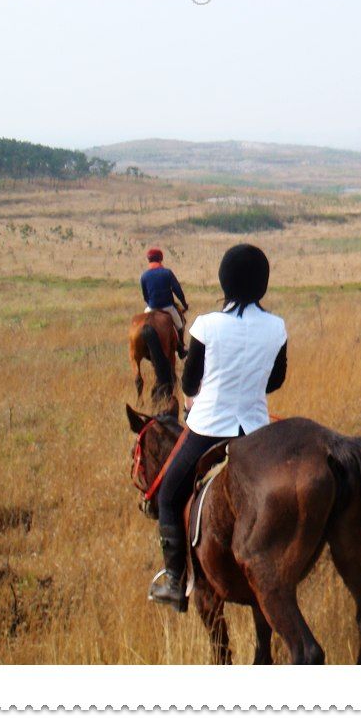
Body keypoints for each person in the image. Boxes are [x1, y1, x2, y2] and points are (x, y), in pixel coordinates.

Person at [148, 243, 288, 612]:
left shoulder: (207, 325)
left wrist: (196, 396)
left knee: (167, 495)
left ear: (224, 281)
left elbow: (190, 383)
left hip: (208, 426)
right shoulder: (276, 327)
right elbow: (276, 380)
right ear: (263, 283)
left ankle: (175, 581)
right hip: (256, 433)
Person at [141, 248, 190, 359]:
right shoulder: (167, 272)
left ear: (148, 260)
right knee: (179, 325)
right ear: (161, 259)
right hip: (167, 307)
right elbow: (177, 290)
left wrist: (151, 304)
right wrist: (184, 304)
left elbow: (145, 296)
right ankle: (181, 348)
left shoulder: (144, 276)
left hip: (151, 308)